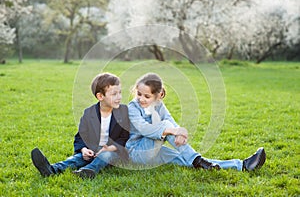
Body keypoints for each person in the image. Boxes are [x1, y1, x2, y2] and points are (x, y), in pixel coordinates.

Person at [126, 72, 266, 171]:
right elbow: (144, 129)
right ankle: (197, 159)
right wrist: (174, 130)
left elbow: (170, 120)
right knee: (167, 127)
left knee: (185, 158)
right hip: (137, 153)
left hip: (155, 151)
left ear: (158, 96)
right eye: (139, 94)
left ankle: (241, 165)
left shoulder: (159, 105)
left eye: (147, 96)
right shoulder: (133, 107)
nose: (141, 99)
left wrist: (178, 133)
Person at [31, 73, 130, 179]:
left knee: (106, 155)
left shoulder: (123, 112)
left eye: (120, 92)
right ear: (100, 96)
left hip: (113, 152)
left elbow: (125, 137)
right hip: (93, 150)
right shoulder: (89, 113)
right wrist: (83, 149)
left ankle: (89, 170)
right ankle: (52, 169)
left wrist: (110, 148)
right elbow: (81, 136)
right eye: (114, 94)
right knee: (77, 159)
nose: (119, 97)